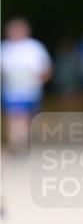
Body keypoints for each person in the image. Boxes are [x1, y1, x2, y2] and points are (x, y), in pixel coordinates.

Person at [1, 17, 52, 152]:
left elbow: (46, 69)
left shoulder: (34, 47)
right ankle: (18, 145)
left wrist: (37, 82)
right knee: (16, 117)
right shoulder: (5, 49)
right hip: (12, 91)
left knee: (27, 118)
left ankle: (24, 144)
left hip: (31, 91)